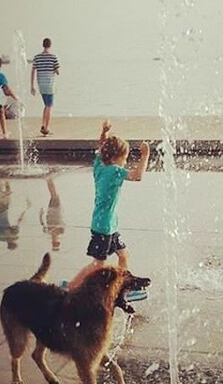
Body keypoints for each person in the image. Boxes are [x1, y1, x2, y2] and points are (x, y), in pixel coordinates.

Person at [66, 121, 150, 292]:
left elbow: (101, 146)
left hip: (108, 225)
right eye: (125, 158)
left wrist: (104, 132)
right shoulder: (114, 171)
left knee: (123, 255)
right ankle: (71, 287)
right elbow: (138, 176)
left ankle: (121, 286)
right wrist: (145, 155)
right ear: (115, 158)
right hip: (104, 227)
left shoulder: (99, 165)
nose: (125, 162)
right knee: (98, 264)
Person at [31, 37, 60, 136]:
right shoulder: (53, 57)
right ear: (50, 45)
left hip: (40, 84)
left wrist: (32, 86)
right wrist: (55, 70)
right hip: (50, 84)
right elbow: (57, 71)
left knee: (46, 105)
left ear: (43, 45)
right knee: (49, 106)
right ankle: (46, 128)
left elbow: (33, 71)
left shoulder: (37, 57)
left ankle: (43, 125)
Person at [39, 177, 65, 251]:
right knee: (54, 195)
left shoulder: (50, 231)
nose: (55, 240)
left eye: (54, 242)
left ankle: (49, 179)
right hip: (56, 210)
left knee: (54, 195)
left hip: (52, 210)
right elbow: (62, 222)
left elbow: (42, 223)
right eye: (56, 241)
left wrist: (41, 214)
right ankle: (49, 180)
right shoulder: (60, 231)